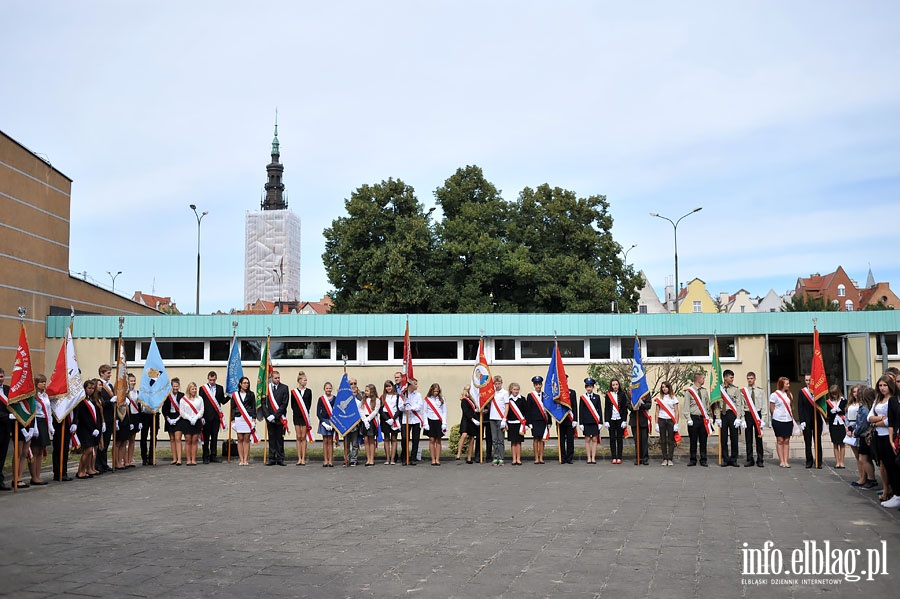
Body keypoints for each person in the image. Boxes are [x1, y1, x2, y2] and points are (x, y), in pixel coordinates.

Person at [869, 375, 900, 508]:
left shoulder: (892, 400)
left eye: (885, 385)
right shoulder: (878, 400)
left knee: (894, 465)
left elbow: (891, 420)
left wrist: (877, 423)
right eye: (880, 385)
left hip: (890, 435)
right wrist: (879, 419)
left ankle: (895, 493)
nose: (882, 388)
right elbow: (869, 417)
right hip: (879, 436)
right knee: (885, 464)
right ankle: (892, 492)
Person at [715, 369, 744, 467]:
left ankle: (734, 459)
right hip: (723, 415)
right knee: (723, 439)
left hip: (732, 415)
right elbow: (716, 404)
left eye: (733, 377)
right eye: (731, 377)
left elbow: (739, 404)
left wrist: (738, 418)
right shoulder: (719, 389)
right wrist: (717, 417)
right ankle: (725, 459)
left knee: (734, 438)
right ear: (725, 377)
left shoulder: (735, 389)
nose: (732, 379)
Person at [74, 379, 102, 479]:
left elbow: (96, 415)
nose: (91, 390)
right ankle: (80, 471)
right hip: (85, 429)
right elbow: (84, 417)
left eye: (92, 388)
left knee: (91, 450)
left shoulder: (92, 400)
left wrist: (98, 427)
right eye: (89, 388)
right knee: (88, 450)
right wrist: (91, 429)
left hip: (94, 429)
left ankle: (85, 470)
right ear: (85, 388)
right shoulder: (82, 401)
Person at [851, 386, 878, 489]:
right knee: (865, 458)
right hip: (866, 435)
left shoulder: (864, 408)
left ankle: (871, 479)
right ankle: (870, 478)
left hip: (864, 435)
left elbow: (863, 423)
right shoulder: (869, 406)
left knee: (864, 458)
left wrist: (855, 432)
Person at [199, 371, 227, 464]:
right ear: (208, 378)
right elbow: (200, 403)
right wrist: (201, 416)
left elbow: (222, 401)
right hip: (206, 417)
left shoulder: (220, 388)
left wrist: (230, 396)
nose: (212, 381)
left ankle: (213, 456)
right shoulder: (203, 389)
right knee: (206, 438)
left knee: (214, 437)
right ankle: (205, 456)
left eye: (213, 380)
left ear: (216, 378)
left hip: (216, 418)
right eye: (210, 380)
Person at [28, 374, 52, 485]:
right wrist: (35, 427)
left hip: (44, 422)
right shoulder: (33, 396)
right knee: (35, 450)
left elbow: (48, 411)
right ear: (36, 383)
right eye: (41, 382)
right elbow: (33, 412)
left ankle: (38, 475)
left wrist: (50, 426)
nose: (43, 384)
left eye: (44, 382)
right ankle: (34, 476)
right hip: (36, 422)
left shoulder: (45, 396)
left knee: (41, 450)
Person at [262, 370, 289, 466]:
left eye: (278, 378)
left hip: (279, 418)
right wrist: (268, 416)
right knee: (271, 438)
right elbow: (263, 403)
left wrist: (275, 415)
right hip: (269, 418)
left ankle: (280, 458)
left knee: (280, 439)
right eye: (275, 378)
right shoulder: (266, 389)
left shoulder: (284, 388)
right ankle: (272, 458)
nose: (277, 379)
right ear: (271, 378)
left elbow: (284, 404)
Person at [684, 373, 711, 467]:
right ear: (699, 379)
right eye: (703, 378)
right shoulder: (689, 391)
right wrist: (688, 418)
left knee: (703, 440)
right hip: (693, 418)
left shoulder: (704, 391)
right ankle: (692, 459)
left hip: (703, 418)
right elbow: (686, 406)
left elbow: (707, 404)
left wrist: (709, 417)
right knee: (693, 440)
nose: (704, 380)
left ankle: (703, 459)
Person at [769, 376, 796, 468]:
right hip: (778, 420)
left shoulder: (789, 394)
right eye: (786, 384)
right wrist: (776, 416)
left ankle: (786, 460)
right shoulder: (774, 395)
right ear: (781, 384)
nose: (788, 385)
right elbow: (772, 408)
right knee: (780, 440)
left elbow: (791, 407)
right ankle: (781, 461)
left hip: (788, 420)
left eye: (788, 383)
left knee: (787, 440)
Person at [798, 373, 824, 469]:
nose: (808, 382)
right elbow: (800, 407)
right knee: (807, 442)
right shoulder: (802, 392)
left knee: (818, 441)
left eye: (810, 380)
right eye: (806, 380)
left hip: (817, 420)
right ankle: (809, 461)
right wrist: (802, 421)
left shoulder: (818, 391)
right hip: (806, 421)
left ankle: (818, 461)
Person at [49, 380, 73, 482]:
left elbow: (75, 408)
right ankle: (57, 472)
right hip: (58, 423)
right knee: (58, 448)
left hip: (68, 423)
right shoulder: (57, 389)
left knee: (65, 449)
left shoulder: (73, 392)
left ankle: (64, 471)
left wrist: (75, 422)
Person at [742, 372, 767, 467]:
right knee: (748, 438)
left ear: (755, 379)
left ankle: (760, 459)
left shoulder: (760, 391)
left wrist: (763, 419)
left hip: (758, 414)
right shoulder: (743, 391)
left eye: (751, 378)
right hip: (748, 414)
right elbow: (742, 405)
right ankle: (749, 459)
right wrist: (743, 418)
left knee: (759, 438)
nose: (750, 380)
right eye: (748, 378)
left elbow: (764, 405)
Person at [230, 376, 257, 466]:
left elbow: (253, 407)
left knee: (246, 439)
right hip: (238, 418)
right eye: (244, 383)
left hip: (248, 418)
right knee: (240, 438)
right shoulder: (235, 395)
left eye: (247, 383)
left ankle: (246, 459)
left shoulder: (251, 394)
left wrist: (253, 419)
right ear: (240, 384)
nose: (246, 384)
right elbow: (233, 408)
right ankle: (241, 459)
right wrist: (232, 420)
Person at [94, 364, 115, 473]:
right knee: (101, 442)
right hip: (103, 417)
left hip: (110, 417)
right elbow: (99, 402)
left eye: (110, 373)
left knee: (106, 442)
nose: (110, 375)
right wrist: (109, 402)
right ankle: (98, 464)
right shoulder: (98, 385)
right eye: (108, 373)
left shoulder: (110, 386)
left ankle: (104, 463)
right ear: (101, 373)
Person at [653, 380, 679, 467]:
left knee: (671, 440)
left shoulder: (673, 398)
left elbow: (676, 411)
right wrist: (656, 423)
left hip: (671, 421)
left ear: (669, 387)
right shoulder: (659, 398)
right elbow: (657, 412)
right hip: (662, 420)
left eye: (666, 387)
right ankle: (664, 458)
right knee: (663, 440)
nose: (664, 389)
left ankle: (670, 458)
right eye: (663, 387)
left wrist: (676, 423)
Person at [399, 378, 423, 465]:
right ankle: (404, 457)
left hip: (415, 419)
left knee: (415, 439)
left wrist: (411, 408)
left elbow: (419, 405)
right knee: (405, 438)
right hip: (406, 419)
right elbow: (400, 407)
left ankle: (413, 458)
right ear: (410, 385)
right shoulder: (403, 395)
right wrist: (404, 405)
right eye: (415, 384)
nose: (417, 385)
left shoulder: (418, 395)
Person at [422, 383, 448, 466]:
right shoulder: (427, 399)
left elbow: (444, 411)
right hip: (430, 420)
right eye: (434, 391)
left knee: (438, 440)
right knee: (432, 440)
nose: (436, 393)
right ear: (431, 391)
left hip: (439, 420)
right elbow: (424, 412)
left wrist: (444, 422)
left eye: (437, 391)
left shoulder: (442, 399)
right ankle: (433, 459)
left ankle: (438, 459)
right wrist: (425, 423)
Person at [178, 382, 204, 466]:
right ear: (189, 389)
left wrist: (196, 417)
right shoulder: (183, 399)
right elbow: (181, 411)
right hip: (186, 422)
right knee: (188, 440)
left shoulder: (199, 399)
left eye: (195, 389)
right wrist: (189, 418)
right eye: (192, 389)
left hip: (196, 422)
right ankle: (188, 460)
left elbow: (202, 410)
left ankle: (194, 459)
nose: (194, 390)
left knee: (194, 441)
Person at [579, 378, 603, 465]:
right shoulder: (583, 398)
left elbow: (600, 409)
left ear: (593, 387)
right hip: (586, 421)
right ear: (585, 388)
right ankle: (588, 457)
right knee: (588, 439)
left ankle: (593, 457)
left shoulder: (597, 397)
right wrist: (581, 423)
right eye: (587, 387)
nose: (589, 388)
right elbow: (580, 411)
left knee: (594, 439)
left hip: (595, 421)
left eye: (590, 387)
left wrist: (601, 422)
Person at [291, 371, 313, 466]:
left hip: (305, 416)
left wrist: (305, 413)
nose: (305, 382)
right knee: (298, 436)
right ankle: (298, 458)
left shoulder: (309, 391)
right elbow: (292, 405)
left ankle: (303, 458)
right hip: (296, 416)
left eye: (306, 380)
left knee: (303, 437)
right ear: (299, 381)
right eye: (304, 380)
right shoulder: (294, 392)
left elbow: (309, 404)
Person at [488, 376, 509, 466]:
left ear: (501, 383)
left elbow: (507, 406)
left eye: (499, 383)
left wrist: (504, 418)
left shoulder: (504, 393)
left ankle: (501, 458)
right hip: (492, 417)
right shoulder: (491, 393)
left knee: (500, 439)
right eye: (495, 384)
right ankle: (495, 457)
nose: (497, 385)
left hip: (501, 418)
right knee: (494, 439)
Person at [526, 376, 548, 464]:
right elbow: (528, 410)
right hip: (534, 421)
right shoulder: (530, 396)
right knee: (535, 439)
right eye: (536, 385)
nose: (538, 386)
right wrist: (529, 422)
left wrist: (549, 421)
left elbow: (548, 409)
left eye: (539, 384)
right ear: (534, 385)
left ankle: (541, 457)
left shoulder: (545, 395)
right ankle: (536, 457)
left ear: (541, 385)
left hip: (543, 420)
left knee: (542, 439)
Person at [163, 378, 183, 465]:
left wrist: (178, 418)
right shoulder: (167, 396)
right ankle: (174, 458)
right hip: (169, 417)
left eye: (177, 386)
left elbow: (184, 409)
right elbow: (164, 409)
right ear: (171, 386)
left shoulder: (182, 395)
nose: (175, 388)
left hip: (179, 417)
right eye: (174, 386)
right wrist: (168, 419)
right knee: (172, 439)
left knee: (178, 439)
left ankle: (179, 459)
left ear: (179, 386)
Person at [359, 383, 381, 466]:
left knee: (371, 440)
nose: (366, 392)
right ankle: (368, 459)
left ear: (372, 391)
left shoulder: (377, 400)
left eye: (367, 391)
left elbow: (375, 411)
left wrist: (368, 419)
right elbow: (361, 410)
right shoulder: (363, 400)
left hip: (372, 420)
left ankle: (372, 459)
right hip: (364, 420)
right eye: (365, 391)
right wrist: (364, 420)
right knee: (366, 440)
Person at [506, 383, 528, 466]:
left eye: (517, 389)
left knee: (519, 442)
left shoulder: (522, 399)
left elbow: (526, 411)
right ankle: (514, 459)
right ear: (511, 390)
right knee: (513, 442)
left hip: (520, 423)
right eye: (514, 389)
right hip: (511, 423)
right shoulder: (508, 399)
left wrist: (526, 424)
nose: (516, 391)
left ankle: (518, 459)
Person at [826, 384, 847, 469]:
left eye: (835, 394)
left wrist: (838, 410)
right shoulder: (828, 402)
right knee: (835, 443)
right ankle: (837, 462)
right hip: (833, 424)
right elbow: (828, 413)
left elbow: (844, 411)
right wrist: (832, 411)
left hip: (842, 424)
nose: (834, 396)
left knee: (842, 443)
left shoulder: (843, 400)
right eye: (832, 394)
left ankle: (842, 462)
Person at [343, 378, 363, 467]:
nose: (353, 385)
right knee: (346, 443)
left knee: (355, 443)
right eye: (351, 383)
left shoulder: (360, 396)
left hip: (355, 424)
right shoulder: (344, 395)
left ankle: (354, 459)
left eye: (355, 383)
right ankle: (346, 459)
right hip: (346, 424)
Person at [630, 387, 652, 466]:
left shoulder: (646, 393)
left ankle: (645, 458)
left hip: (643, 419)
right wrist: (635, 406)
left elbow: (649, 405)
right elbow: (628, 405)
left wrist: (641, 405)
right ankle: (638, 457)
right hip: (634, 420)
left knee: (644, 440)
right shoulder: (631, 393)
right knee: (637, 440)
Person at [558, 377, 578, 464]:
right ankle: (562, 457)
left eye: (564, 380)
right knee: (561, 440)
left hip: (570, 419)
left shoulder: (572, 392)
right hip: (560, 419)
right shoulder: (557, 393)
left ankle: (569, 457)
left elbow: (574, 406)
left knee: (570, 440)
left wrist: (575, 420)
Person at [380, 380, 400, 465]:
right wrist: (387, 419)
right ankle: (387, 458)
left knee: (394, 439)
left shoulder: (397, 396)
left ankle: (392, 459)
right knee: (387, 439)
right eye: (387, 386)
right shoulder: (382, 397)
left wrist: (393, 418)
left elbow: (399, 408)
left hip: (394, 418)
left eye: (390, 386)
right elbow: (380, 409)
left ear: (393, 387)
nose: (388, 388)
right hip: (385, 419)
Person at [138, 390, 159, 466]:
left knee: (154, 436)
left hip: (155, 414)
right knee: (144, 436)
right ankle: (144, 457)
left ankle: (151, 457)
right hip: (145, 414)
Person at [317, 382, 336, 467]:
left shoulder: (335, 398)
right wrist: (323, 423)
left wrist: (333, 423)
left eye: (330, 388)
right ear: (324, 389)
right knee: (325, 441)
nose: (328, 390)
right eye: (327, 388)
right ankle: (325, 460)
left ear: (332, 389)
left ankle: (331, 460)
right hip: (324, 422)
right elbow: (318, 412)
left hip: (332, 421)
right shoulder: (321, 399)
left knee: (330, 441)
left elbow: (337, 411)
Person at [123, 372, 140, 468]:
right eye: (131, 381)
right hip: (128, 417)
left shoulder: (137, 392)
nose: (133, 382)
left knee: (132, 440)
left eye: (134, 381)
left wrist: (140, 420)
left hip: (136, 416)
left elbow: (139, 406)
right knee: (126, 440)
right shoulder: (125, 392)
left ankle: (130, 460)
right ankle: (125, 461)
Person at [0, 368, 12, 490]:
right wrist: (7, 416)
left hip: (6, 428)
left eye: (2, 376)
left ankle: (0, 480)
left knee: (3, 454)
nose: (1, 379)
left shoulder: (8, 390)